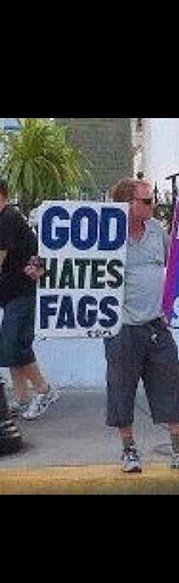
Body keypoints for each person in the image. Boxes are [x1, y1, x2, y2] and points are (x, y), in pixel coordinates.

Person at [105, 177, 179, 473]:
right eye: (146, 201)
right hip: (123, 326)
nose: (152, 205)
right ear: (127, 204)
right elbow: (76, 261)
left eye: (152, 199)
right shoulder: (107, 234)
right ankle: (129, 450)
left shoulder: (156, 231)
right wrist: (41, 269)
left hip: (156, 324)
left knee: (172, 383)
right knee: (121, 388)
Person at [0, 177, 60, 421]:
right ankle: (22, 397)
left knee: (15, 345)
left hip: (22, 293)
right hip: (11, 294)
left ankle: (44, 391)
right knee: (10, 347)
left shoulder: (8, 217)